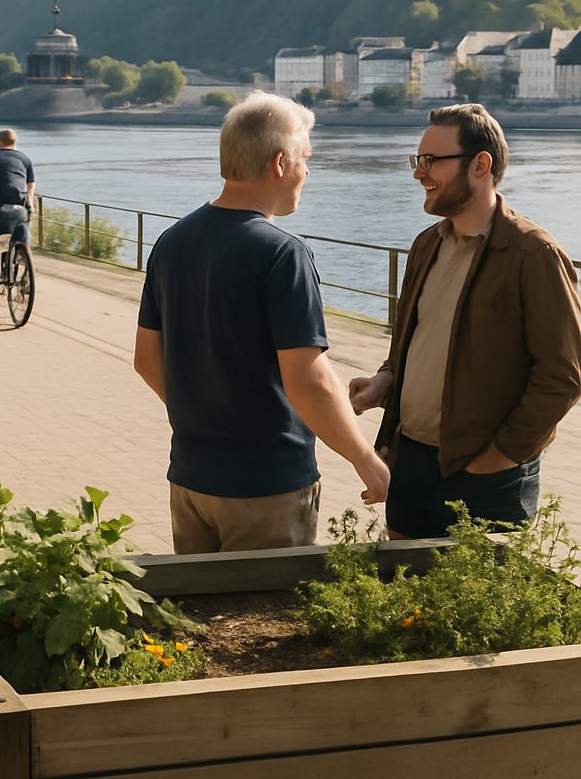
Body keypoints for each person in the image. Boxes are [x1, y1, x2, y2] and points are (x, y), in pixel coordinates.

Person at [133, 93, 389, 554]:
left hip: (191, 479)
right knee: (263, 618)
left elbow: (146, 360)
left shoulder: (171, 243)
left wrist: (208, 416)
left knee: (201, 620)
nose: (307, 172)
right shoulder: (282, 253)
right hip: (266, 485)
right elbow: (308, 380)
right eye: (305, 159)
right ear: (280, 162)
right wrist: (366, 460)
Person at [349, 104, 581, 540]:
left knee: (473, 605)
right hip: (411, 463)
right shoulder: (426, 246)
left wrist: (498, 457)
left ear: (480, 164)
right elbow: (413, 342)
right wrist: (386, 380)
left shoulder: (535, 256)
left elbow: (563, 375)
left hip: (487, 478)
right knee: (401, 603)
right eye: (417, 161)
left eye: (431, 161)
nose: (419, 173)